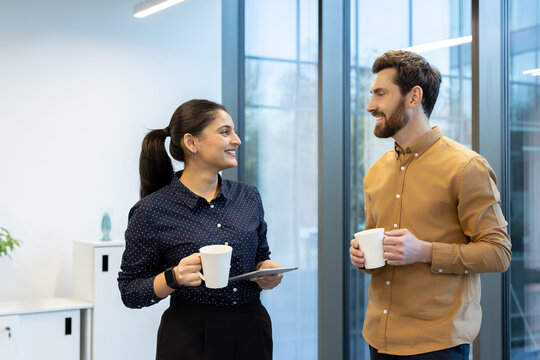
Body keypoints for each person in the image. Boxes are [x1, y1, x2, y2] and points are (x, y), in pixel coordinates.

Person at [349, 50, 512, 359]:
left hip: (437, 345)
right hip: (378, 339)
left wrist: (424, 251)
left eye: (380, 94)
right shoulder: (376, 172)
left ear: (414, 97)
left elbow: (499, 253)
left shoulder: (466, 167)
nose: (370, 106)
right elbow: (378, 249)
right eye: (371, 94)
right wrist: (362, 256)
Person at [118, 99, 282, 360]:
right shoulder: (151, 210)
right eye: (225, 131)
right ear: (191, 143)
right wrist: (174, 276)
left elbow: (261, 256)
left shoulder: (249, 197)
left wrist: (268, 272)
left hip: (252, 332)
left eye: (234, 131)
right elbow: (130, 291)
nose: (237, 140)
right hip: (189, 338)